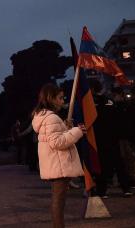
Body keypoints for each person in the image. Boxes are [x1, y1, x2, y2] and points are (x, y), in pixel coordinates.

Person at [31, 83, 86, 228]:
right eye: (60, 98)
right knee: (58, 201)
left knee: (58, 200)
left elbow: (55, 137)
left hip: (56, 164)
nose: (63, 101)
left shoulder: (46, 117)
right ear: (51, 98)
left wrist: (66, 129)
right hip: (58, 165)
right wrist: (77, 131)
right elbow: (57, 142)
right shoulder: (51, 118)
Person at [89, 80, 132, 197]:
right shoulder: (109, 101)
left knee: (102, 165)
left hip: (99, 137)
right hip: (112, 137)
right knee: (118, 163)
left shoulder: (91, 103)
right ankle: (126, 187)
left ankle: (102, 190)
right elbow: (118, 118)